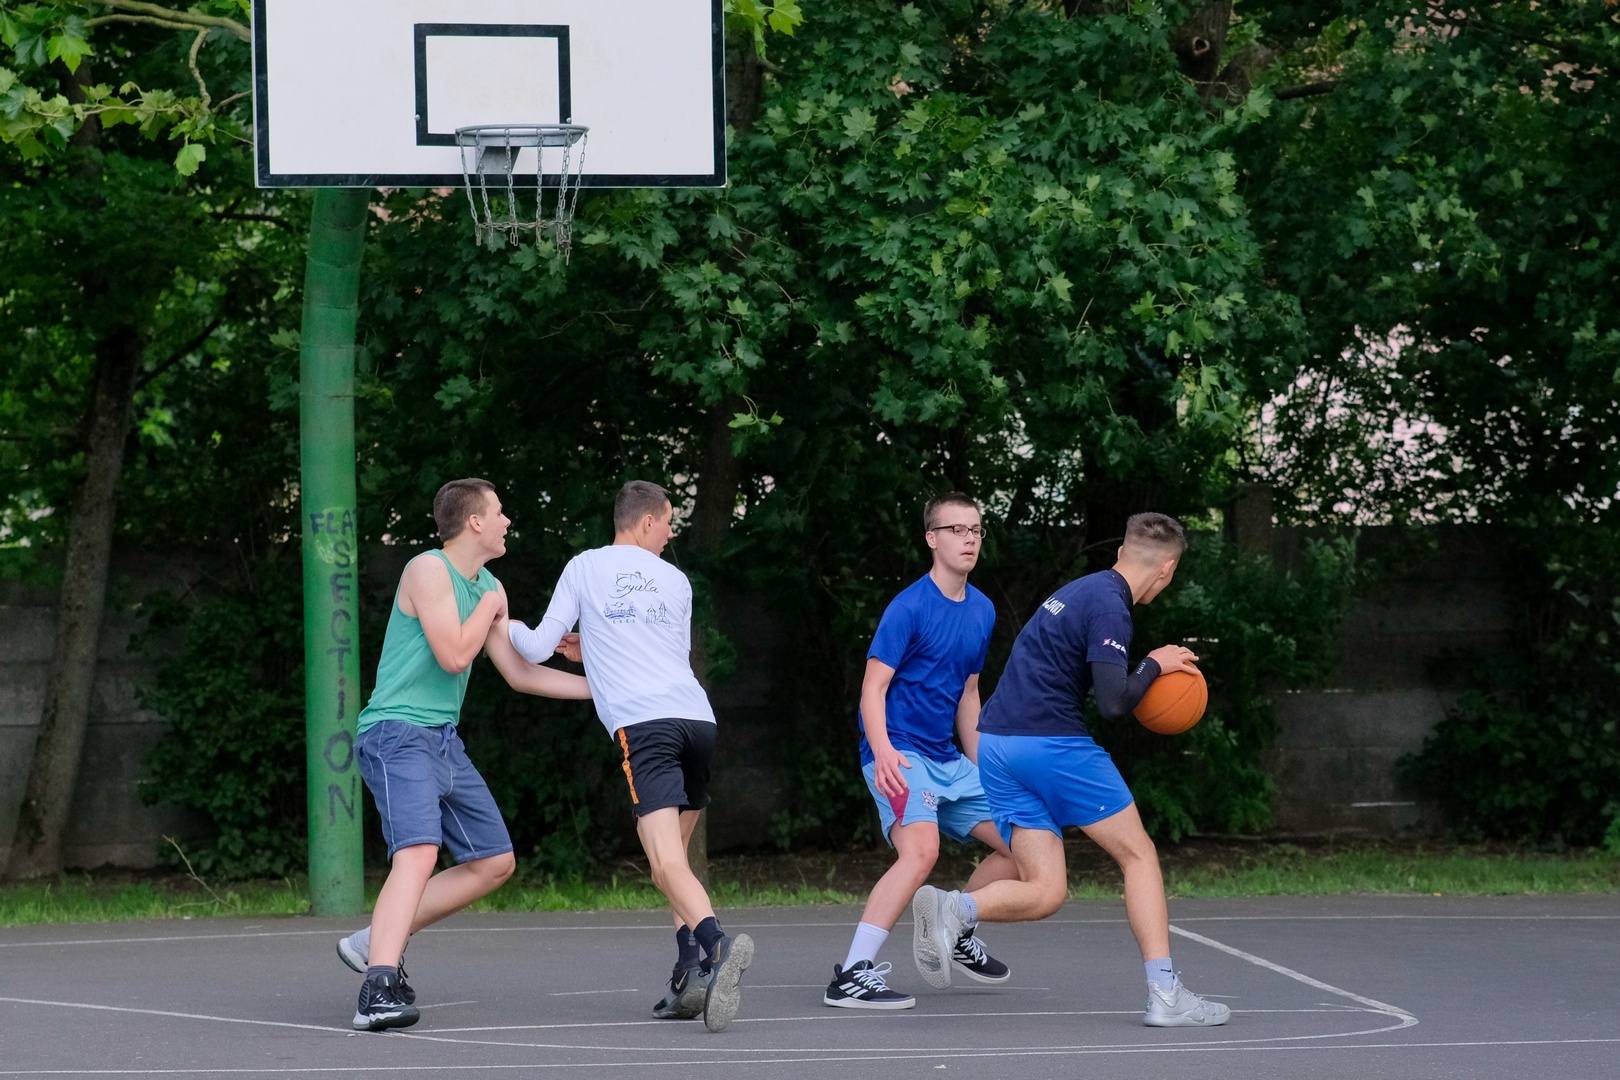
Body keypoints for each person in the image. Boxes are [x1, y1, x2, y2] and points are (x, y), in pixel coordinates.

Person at [909, 512, 1231, 1027]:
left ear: (1122, 552)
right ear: (1167, 569)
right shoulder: (1110, 608)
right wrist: (1154, 663)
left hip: (997, 744)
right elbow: (1113, 702)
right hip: (1049, 743)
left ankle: (957, 909)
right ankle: (1165, 994)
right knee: (1139, 856)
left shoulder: (1081, 590)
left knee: (1046, 890)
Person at [335, 478, 592, 1032]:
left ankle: (376, 939)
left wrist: (605, 690)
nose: (507, 521)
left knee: (494, 861)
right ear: (475, 521)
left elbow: (520, 674)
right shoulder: (428, 570)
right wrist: (491, 606)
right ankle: (377, 989)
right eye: (499, 512)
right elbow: (454, 654)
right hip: (397, 733)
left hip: (443, 740)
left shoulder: (489, 585)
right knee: (419, 852)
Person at [507, 480, 753, 1033]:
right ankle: (687, 973)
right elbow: (663, 655)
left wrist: (507, 626)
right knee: (677, 861)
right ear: (645, 522)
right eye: (667, 523)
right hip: (698, 721)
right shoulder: (676, 580)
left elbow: (538, 647)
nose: (670, 533)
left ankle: (718, 947)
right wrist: (592, 645)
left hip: (646, 728)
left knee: (664, 864)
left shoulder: (585, 566)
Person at [824, 493, 1019, 1010]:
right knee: (921, 853)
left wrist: (985, 767)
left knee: (1023, 841)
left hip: (949, 759)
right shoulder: (908, 607)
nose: (969, 539)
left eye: (975, 530)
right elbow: (872, 689)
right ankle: (851, 975)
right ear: (932, 538)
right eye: (956, 530)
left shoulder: (982, 610)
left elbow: (969, 695)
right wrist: (883, 750)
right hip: (901, 754)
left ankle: (956, 929)